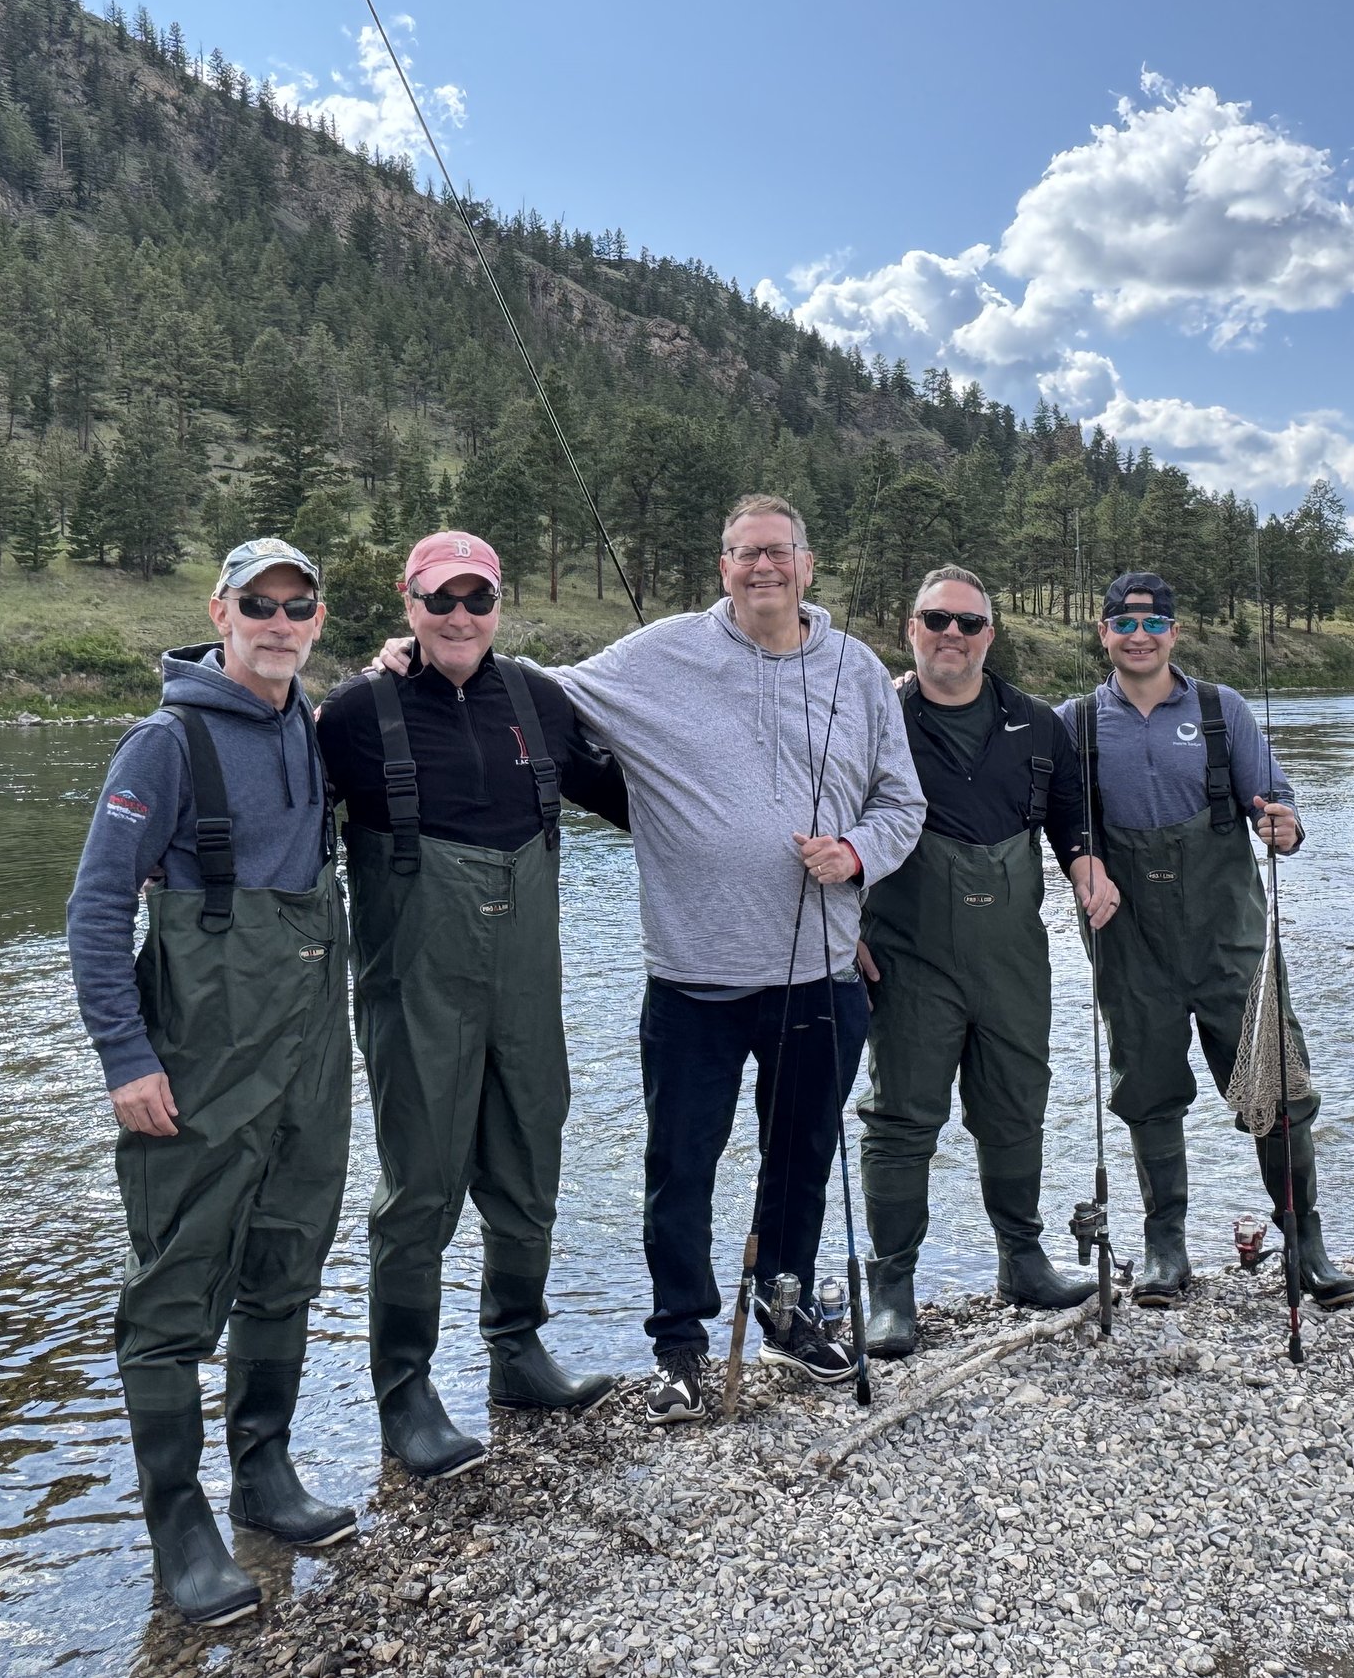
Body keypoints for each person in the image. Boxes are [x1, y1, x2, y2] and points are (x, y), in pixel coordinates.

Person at [548, 495, 925, 1423]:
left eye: (779, 553)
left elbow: (901, 802)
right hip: (692, 980)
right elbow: (546, 691)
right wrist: (412, 664)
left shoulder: (861, 670)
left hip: (822, 974)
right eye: (744, 553)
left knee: (800, 1156)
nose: (763, 567)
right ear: (722, 566)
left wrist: (856, 853)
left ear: (808, 563)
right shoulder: (661, 651)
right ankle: (679, 1343)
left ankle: (786, 1308)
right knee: (682, 1163)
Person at [65, 537, 352, 1628]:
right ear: (219, 611)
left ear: (316, 621)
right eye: (258, 604)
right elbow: (95, 910)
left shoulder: (311, 729)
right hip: (196, 1056)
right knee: (177, 1284)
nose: (278, 622)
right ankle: (178, 1520)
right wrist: (125, 1059)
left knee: (288, 1253)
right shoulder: (163, 741)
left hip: (310, 1052)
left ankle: (264, 1474)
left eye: (298, 605)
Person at [318, 531, 629, 1482]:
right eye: (440, 599)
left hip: (527, 985)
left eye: (477, 599)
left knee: (531, 1158)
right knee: (420, 1188)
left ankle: (517, 1352)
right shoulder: (355, 712)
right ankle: (404, 1391)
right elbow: (278, 826)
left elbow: (639, 798)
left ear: (500, 606)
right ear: (406, 602)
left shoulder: (538, 698)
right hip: (415, 990)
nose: (459, 617)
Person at [1058, 571, 1354, 1313]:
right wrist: (1081, 862)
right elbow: (1055, 821)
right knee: (1147, 1093)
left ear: (1175, 631)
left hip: (1230, 940)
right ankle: (1166, 1246)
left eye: (1153, 623)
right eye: (1123, 624)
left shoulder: (1222, 710)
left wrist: (1285, 826)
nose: (1139, 636)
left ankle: (1305, 1238)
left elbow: (1279, 802)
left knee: (1278, 1085)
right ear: (1102, 633)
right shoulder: (1073, 723)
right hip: (1130, 944)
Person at [854, 566, 1119, 1356]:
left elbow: (1071, 813)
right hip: (905, 957)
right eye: (937, 620)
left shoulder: (1038, 724)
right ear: (911, 628)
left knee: (1015, 1107)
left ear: (989, 636)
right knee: (901, 1118)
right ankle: (893, 1289)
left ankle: (1023, 1261)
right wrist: (844, 929)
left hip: (1013, 958)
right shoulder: (874, 720)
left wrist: (1084, 863)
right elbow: (831, 821)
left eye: (969, 624)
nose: (952, 636)